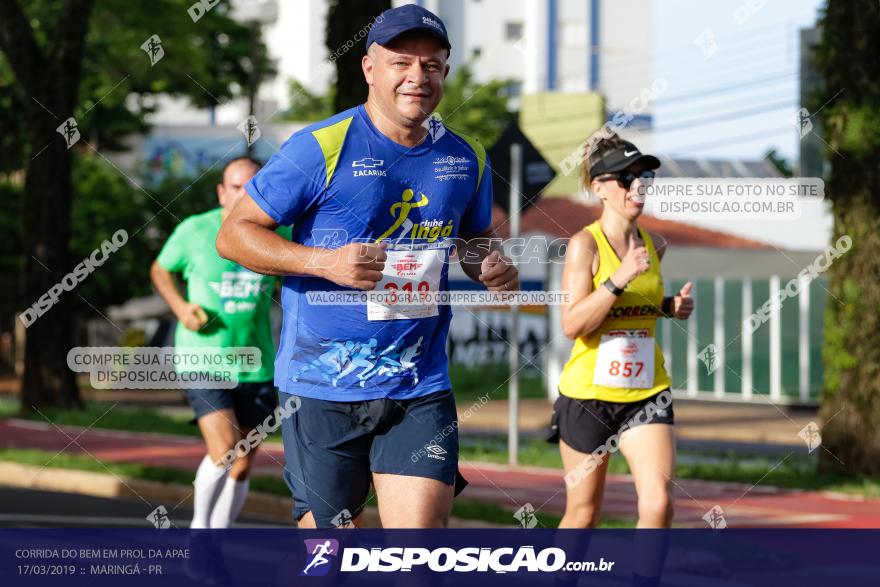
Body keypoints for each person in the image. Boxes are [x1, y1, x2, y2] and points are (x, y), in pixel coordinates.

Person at [216, 4, 518, 529]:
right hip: (322, 386)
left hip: (419, 385)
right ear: (370, 68)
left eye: (431, 65)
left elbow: (472, 239)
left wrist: (490, 265)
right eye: (402, 62)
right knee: (327, 559)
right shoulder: (320, 147)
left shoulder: (466, 156)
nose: (416, 78)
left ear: (445, 72)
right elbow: (234, 235)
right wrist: (322, 261)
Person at [548, 134, 694, 530]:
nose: (638, 186)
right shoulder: (585, 245)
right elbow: (573, 324)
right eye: (626, 178)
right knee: (583, 514)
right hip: (588, 397)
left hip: (646, 392)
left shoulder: (654, 244)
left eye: (644, 176)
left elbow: (635, 307)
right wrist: (619, 278)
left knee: (659, 505)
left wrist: (668, 308)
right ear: (599, 187)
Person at [151, 156, 289, 529]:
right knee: (224, 449)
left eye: (253, 186)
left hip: (257, 362)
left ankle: (219, 537)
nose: (244, 193)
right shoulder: (195, 231)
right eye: (235, 186)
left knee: (242, 462)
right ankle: (201, 535)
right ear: (221, 192)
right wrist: (180, 306)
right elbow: (161, 269)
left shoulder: (278, 233)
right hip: (204, 359)